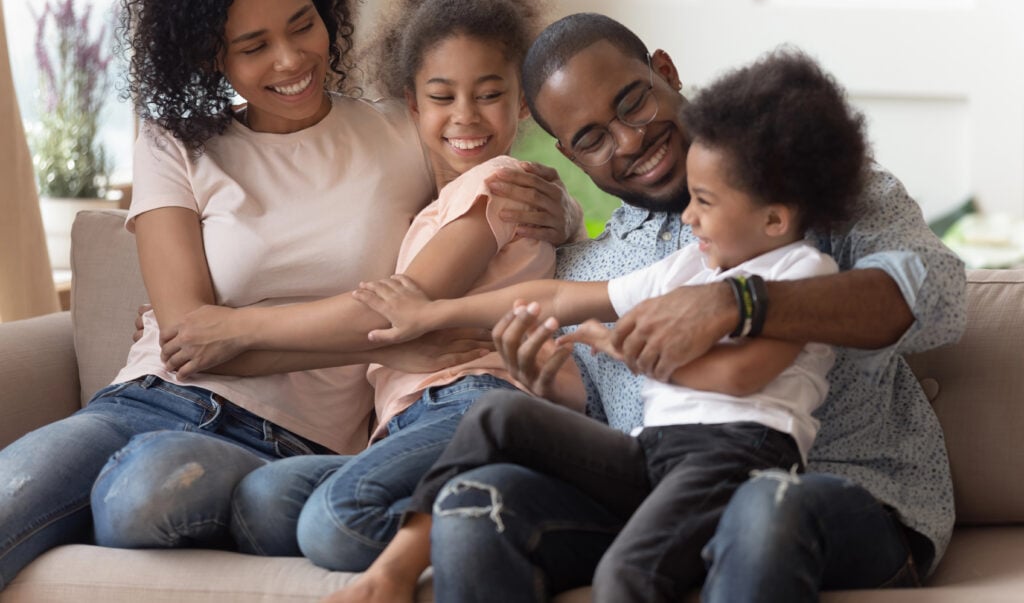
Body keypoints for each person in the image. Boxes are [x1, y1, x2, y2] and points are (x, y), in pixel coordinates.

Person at [0, 0, 574, 588]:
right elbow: (188, 338)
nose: (291, 59)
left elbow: (486, 176)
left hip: (291, 440)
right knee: (14, 493)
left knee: (138, 498)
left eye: (302, 25)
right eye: (254, 45)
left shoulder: (400, 129)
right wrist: (373, 341)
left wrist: (554, 210)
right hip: (149, 397)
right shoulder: (173, 145)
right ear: (212, 54)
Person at [416, 13, 967, 602]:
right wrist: (549, 384)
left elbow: (936, 296)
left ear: (665, 72)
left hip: (836, 494)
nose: (628, 141)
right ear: (571, 156)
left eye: (633, 103)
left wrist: (739, 301)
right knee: (479, 502)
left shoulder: (812, 190)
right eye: (593, 138)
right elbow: (613, 422)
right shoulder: (589, 268)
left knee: (764, 501)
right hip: (665, 502)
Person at [335, 47, 869, 603]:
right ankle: (395, 569)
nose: (688, 216)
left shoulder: (802, 271)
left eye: (705, 201)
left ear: (775, 218)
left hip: (736, 457)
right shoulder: (691, 264)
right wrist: (433, 312)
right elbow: (559, 295)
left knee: (625, 576)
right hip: (657, 451)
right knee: (498, 414)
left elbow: (740, 377)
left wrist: (627, 350)